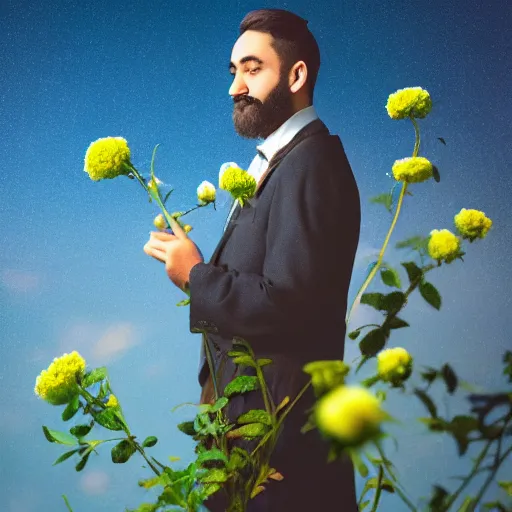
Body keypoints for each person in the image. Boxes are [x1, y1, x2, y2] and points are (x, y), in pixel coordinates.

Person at [144, 8, 360, 511]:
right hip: (254, 448)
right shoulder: (287, 162)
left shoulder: (311, 162)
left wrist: (195, 276)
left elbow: (288, 302)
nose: (235, 87)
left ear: (296, 74)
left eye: (252, 68)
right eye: (234, 71)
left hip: (282, 454)